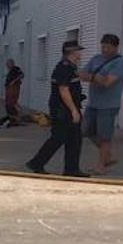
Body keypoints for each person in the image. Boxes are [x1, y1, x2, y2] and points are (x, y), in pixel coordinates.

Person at [26, 40, 87, 177]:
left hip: (67, 109)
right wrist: (73, 110)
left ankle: (71, 169)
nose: (80, 53)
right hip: (63, 111)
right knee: (58, 138)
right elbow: (63, 90)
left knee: (74, 139)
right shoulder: (64, 68)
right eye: (78, 51)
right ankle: (36, 163)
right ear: (72, 52)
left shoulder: (70, 67)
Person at [77, 33, 123, 174]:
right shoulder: (96, 58)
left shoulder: (121, 63)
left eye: (108, 47)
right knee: (86, 131)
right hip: (93, 103)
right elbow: (81, 74)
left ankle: (101, 166)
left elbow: (107, 82)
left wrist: (92, 77)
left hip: (108, 105)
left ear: (115, 47)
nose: (105, 50)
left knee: (104, 136)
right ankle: (108, 155)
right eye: (103, 46)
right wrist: (96, 77)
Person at [3, 58, 24, 122]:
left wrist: (14, 81)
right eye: (6, 64)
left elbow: (22, 75)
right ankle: (11, 116)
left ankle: (19, 116)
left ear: (11, 64)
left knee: (13, 102)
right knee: (8, 102)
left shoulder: (16, 69)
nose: (7, 66)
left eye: (8, 64)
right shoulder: (10, 70)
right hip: (8, 88)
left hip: (14, 88)